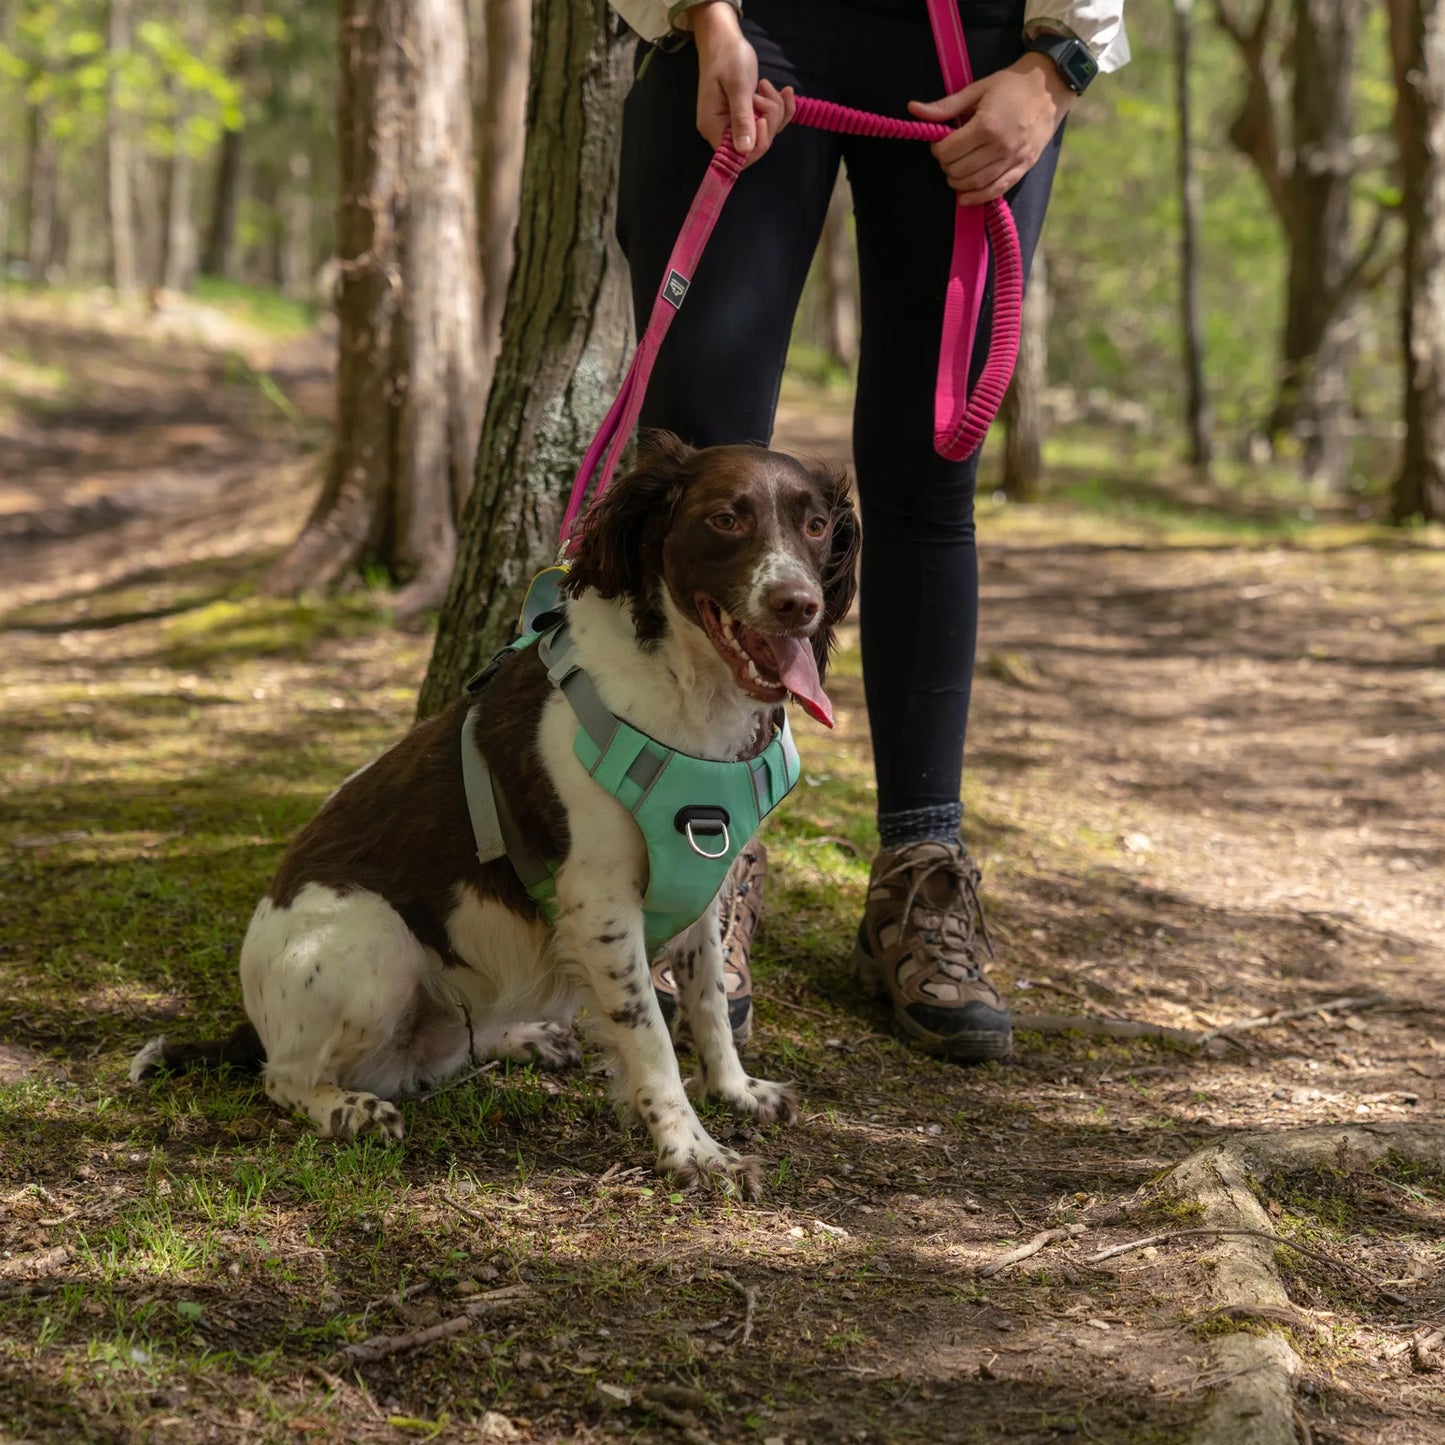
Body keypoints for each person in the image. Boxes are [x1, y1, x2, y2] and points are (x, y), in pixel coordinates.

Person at [612, 0, 1129, 1062]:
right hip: (746, 31)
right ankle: (696, 864)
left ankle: (920, 873)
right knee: (697, 474)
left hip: (974, 43)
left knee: (929, 475)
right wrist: (700, 16)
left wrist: (1056, 63)